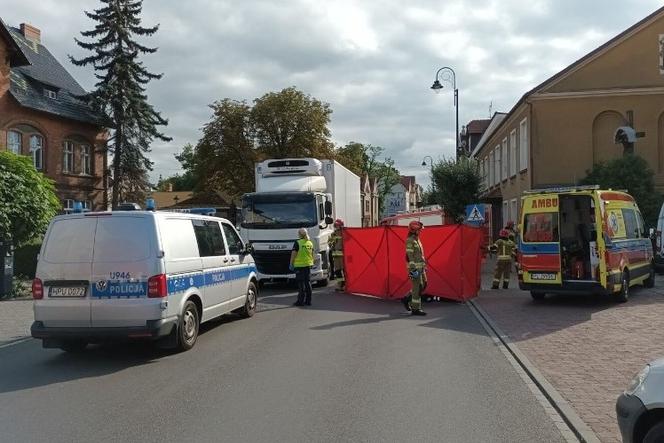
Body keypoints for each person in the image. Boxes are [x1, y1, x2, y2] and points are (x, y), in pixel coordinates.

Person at [400, 220, 427, 316]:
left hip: (421, 267)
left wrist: (424, 266)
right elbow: (409, 256)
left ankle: (407, 298)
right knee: (417, 287)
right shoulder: (410, 240)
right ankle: (416, 309)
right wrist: (413, 269)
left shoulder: (417, 239)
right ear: (414, 230)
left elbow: (420, 255)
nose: (421, 232)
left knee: (424, 284)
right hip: (414, 268)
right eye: (419, 230)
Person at [290, 228, 314, 306]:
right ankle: (308, 301)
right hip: (308, 265)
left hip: (299, 266)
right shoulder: (310, 243)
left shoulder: (297, 243)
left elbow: (293, 254)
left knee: (301, 284)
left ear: (300, 234)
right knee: (308, 283)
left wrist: (291, 263)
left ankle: (300, 301)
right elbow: (312, 254)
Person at [328, 219, 345, 291]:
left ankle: (346, 285)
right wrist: (331, 243)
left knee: (345, 271)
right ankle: (340, 285)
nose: (336, 226)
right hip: (336, 256)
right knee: (337, 271)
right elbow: (329, 243)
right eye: (336, 225)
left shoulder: (345, 233)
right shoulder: (333, 234)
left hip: (343, 256)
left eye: (338, 225)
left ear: (341, 225)